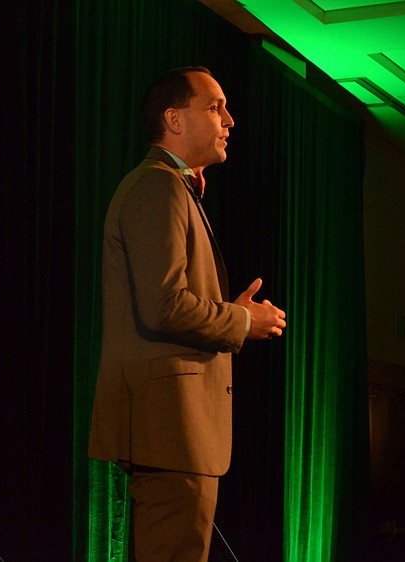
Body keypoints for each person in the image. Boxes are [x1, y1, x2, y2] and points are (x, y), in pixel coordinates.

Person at [88, 66, 287, 562]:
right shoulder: (159, 187)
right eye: (215, 107)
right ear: (174, 120)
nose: (229, 120)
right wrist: (242, 322)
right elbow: (164, 305)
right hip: (170, 425)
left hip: (177, 428)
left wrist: (228, 310)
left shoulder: (173, 188)